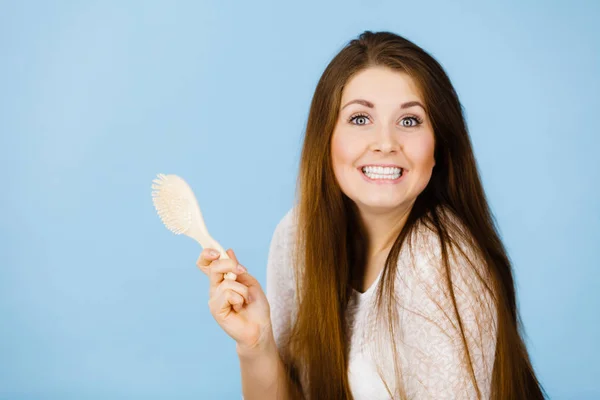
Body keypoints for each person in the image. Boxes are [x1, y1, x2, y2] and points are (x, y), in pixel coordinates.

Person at [196, 31, 547, 400]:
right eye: (360, 118)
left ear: (439, 146)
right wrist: (256, 343)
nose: (385, 142)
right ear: (326, 138)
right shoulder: (297, 236)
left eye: (409, 121)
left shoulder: (438, 265)